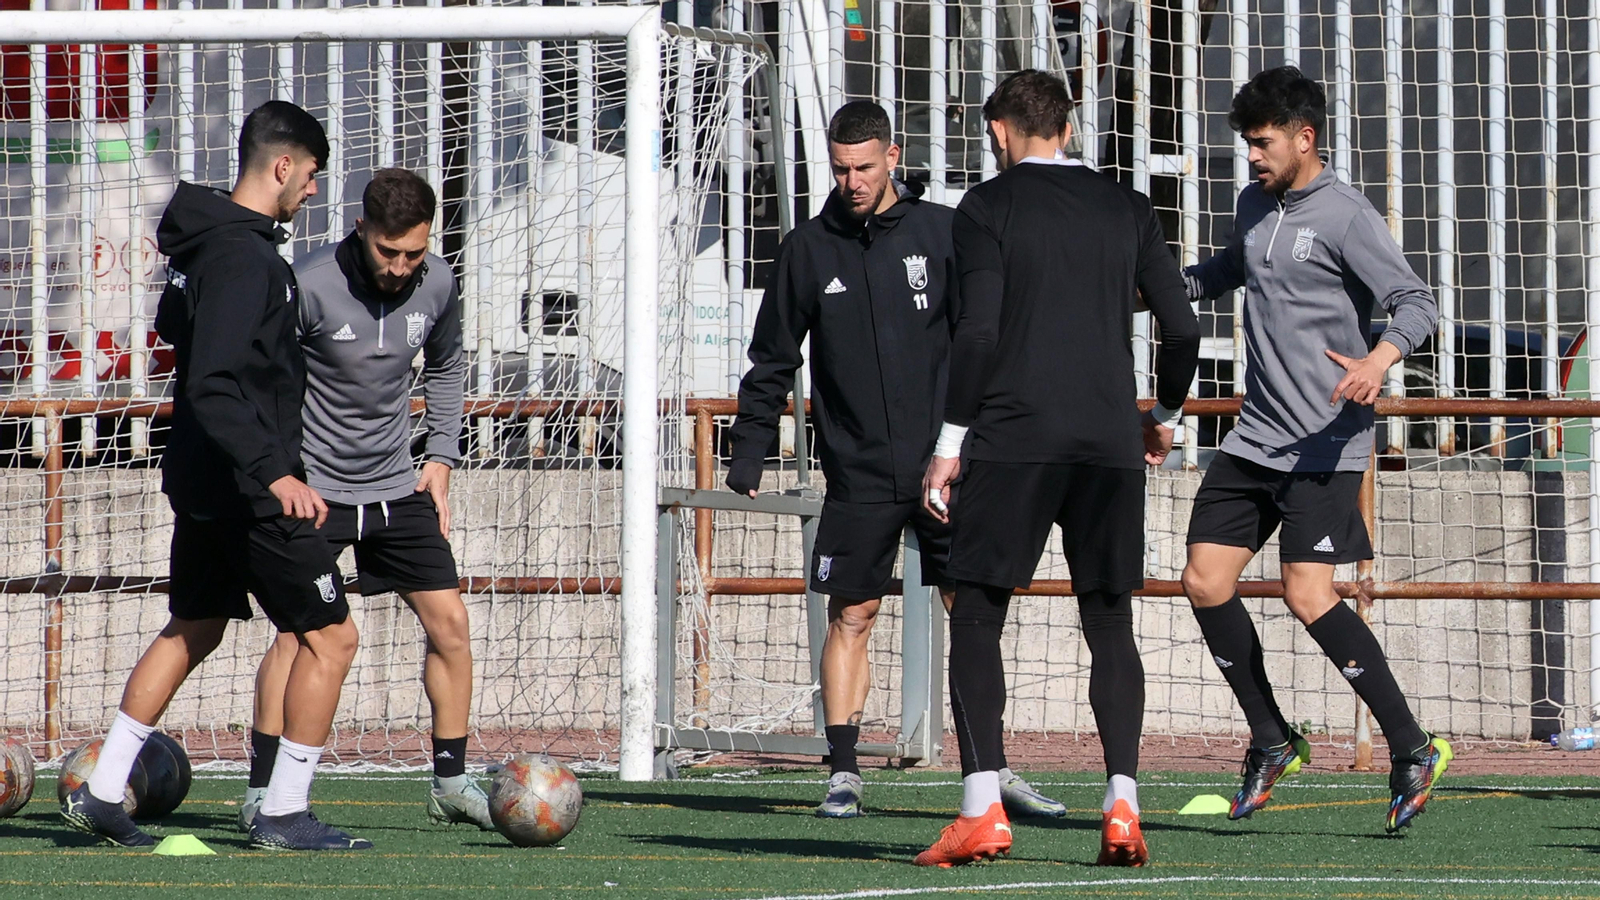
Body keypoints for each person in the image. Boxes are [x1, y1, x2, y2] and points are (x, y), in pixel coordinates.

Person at [727, 100, 1064, 820]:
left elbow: (989, 339)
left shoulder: (945, 232)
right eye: (841, 168)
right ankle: (844, 771)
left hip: (948, 466)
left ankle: (991, 770)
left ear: (893, 157)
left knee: (969, 612)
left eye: (865, 167)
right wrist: (748, 451)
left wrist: (998, 437)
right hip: (858, 473)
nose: (851, 181)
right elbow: (772, 358)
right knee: (852, 614)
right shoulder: (807, 249)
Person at [60, 101, 373, 851]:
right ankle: (283, 812)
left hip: (204, 480)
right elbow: (216, 382)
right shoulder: (244, 259)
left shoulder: (207, 244)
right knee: (332, 637)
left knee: (192, 628)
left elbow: (178, 333)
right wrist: (276, 474)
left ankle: (104, 793)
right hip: (249, 490)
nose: (312, 192)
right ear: (283, 166)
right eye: (312, 176)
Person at [918, 70, 1201, 868]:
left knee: (975, 611)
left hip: (1014, 434)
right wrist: (1164, 418)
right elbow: (1180, 330)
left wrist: (948, 443)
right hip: (1111, 437)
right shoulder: (1129, 206)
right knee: (1108, 620)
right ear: (1068, 130)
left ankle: (981, 811)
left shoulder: (988, 206)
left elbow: (975, 336)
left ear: (1003, 130)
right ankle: (1122, 805)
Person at [1178, 66, 1448, 833]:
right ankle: (1271, 738)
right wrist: (1166, 287)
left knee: (1306, 593)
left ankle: (1410, 746)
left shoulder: (1345, 215)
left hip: (1325, 444)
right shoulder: (1256, 202)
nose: (1253, 157)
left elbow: (1416, 302)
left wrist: (1377, 361)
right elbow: (1236, 267)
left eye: (1264, 144)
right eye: (1247, 145)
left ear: (1306, 138)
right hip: (1257, 435)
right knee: (1203, 580)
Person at [239, 168, 481, 831]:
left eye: (415, 254)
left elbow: (450, 364)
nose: (402, 267)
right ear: (361, 230)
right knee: (298, 638)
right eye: (388, 252)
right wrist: (279, 474)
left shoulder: (439, 281)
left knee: (451, 627)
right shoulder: (309, 285)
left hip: (396, 487)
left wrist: (441, 457)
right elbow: (263, 381)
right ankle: (263, 790)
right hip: (314, 490)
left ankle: (452, 783)